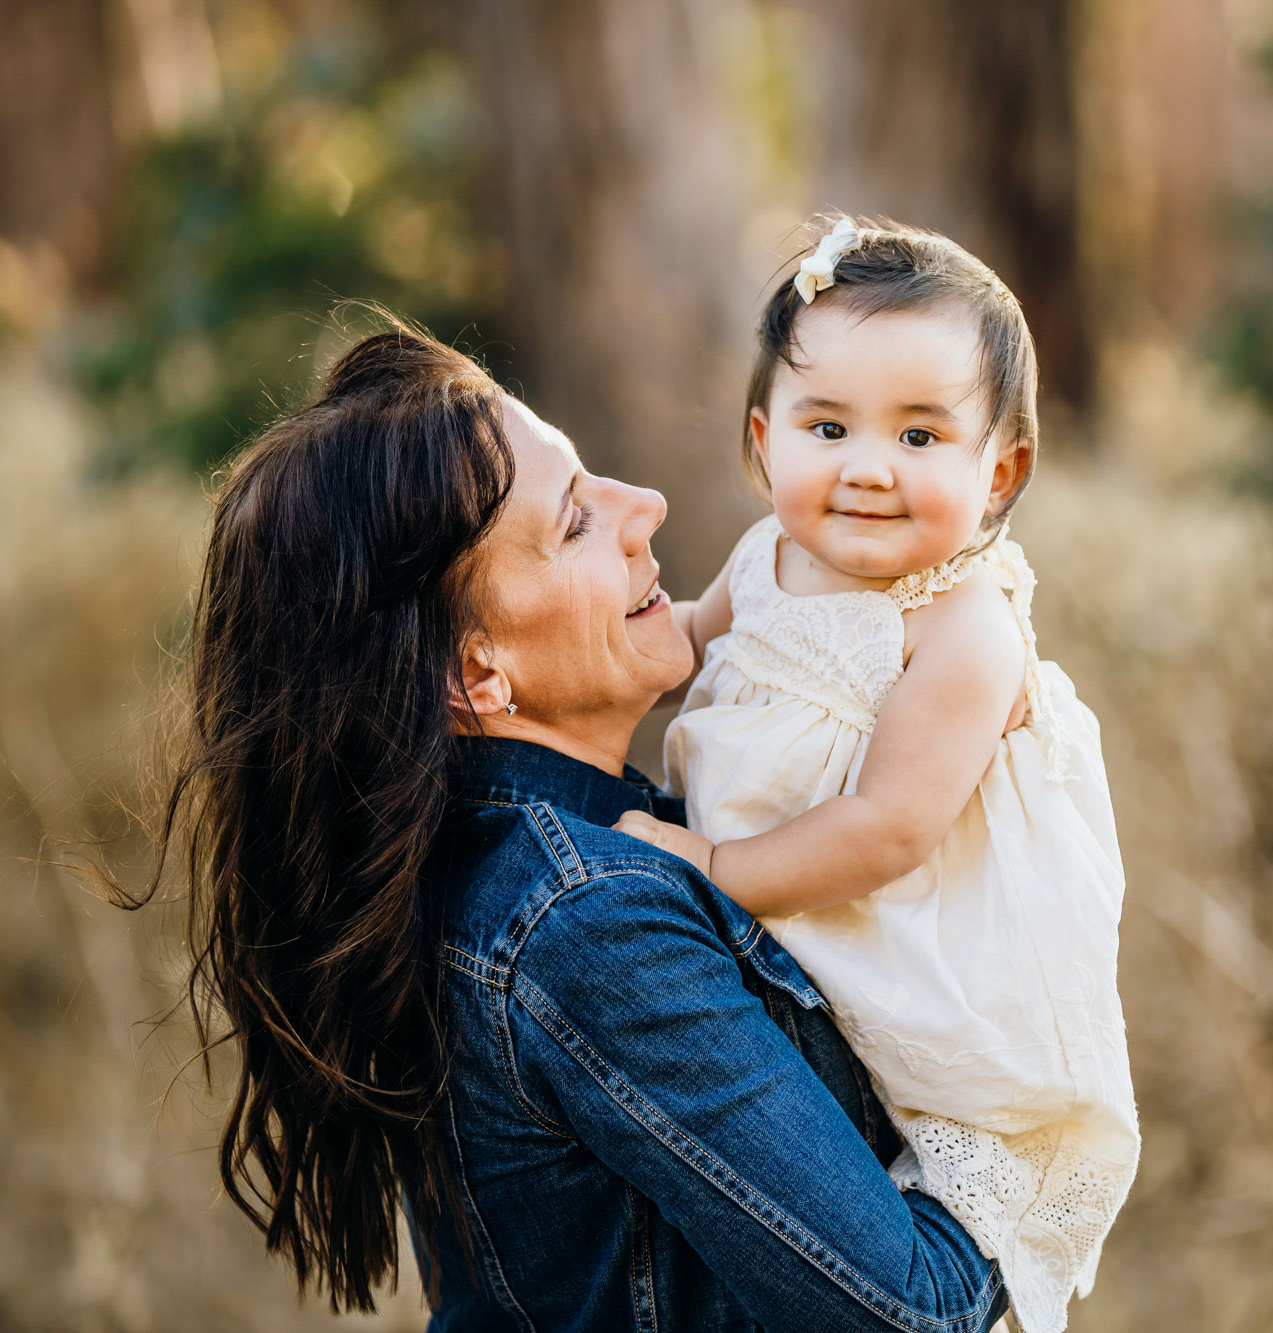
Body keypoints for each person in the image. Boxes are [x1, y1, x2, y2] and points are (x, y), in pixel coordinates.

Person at [141, 321, 1009, 1331]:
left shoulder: (543, 849)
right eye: (573, 523)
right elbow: (903, 1315)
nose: (644, 508)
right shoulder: (582, 922)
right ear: (477, 671)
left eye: (594, 480)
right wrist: (1025, 1165)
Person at [615, 217, 1139, 1333]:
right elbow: (690, 646)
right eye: (827, 425)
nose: (865, 468)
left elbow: (890, 826)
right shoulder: (767, 556)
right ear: (765, 443)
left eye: (917, 435)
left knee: (907, 1174)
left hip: (912, 952)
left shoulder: (959, 629)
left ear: (996, 469)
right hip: (796, 937)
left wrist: (709, 863)